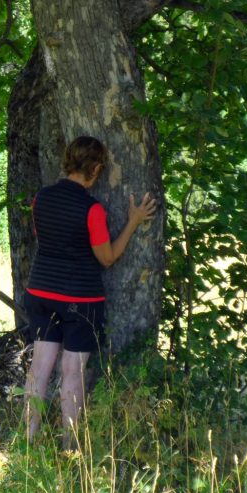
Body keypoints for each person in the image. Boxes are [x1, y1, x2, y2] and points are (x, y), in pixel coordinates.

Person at [23, 136, 156, 449]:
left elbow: (44, 238)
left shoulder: (40, 198)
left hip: (40, 291)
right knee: (72, 371)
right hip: (79, 299)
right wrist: (134, 221)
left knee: (39, 368)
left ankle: (26, 442)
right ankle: (69, 448)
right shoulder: (91, 209)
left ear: (68, 161)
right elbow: (107, 258)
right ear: (96, 169)